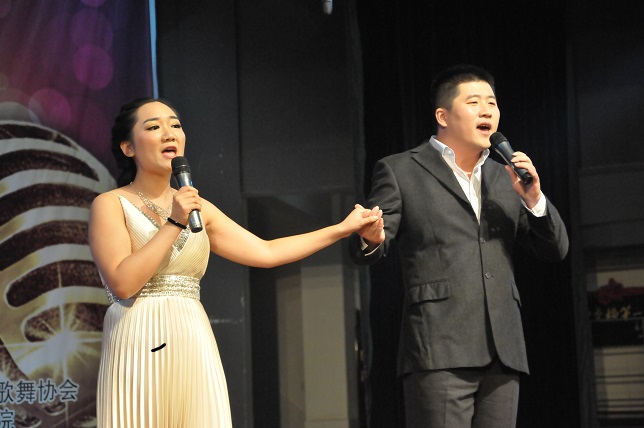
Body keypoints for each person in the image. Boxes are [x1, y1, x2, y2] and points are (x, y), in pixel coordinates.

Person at [88, 98, 384, 427]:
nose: (169, 133)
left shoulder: (198, 207)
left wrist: (342, 228)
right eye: (154, 127)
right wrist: (174, 222)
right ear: (128, 147)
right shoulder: (111, 204)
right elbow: (122, 283)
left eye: (175, 125)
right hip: (138, 337)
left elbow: (267, 252)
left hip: (191, 336)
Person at [350, 65, 569, 427]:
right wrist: (371, 237)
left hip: (504, 351)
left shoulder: (506, 176)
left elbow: (555, 249)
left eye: (492, 103)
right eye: (474, 102)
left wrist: (534, 199)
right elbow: (367, 247)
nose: (487, 111)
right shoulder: (401, 170)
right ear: (443, 116)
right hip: (438, 348)